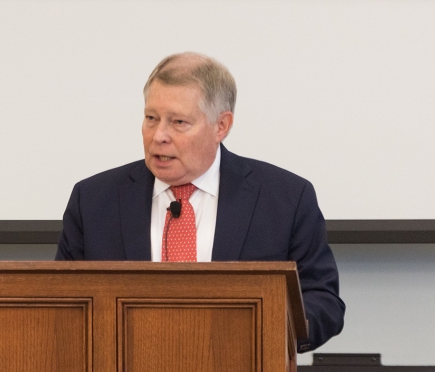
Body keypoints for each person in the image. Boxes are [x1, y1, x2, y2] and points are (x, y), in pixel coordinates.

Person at [55, 52, 345, 352]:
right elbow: (61, 306)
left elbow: (323, 301)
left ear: (221, 126)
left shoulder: (284, 198)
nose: (159, 136)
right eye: (151, 119)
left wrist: (267, 329)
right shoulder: (93, 201)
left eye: (178, 122)